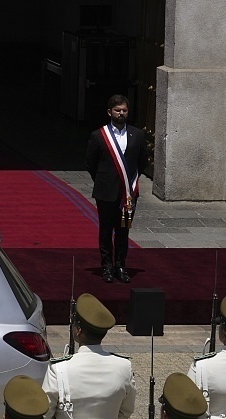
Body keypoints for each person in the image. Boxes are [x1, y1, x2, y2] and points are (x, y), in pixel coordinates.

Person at [85, 94, 148, 283]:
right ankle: (107, 266)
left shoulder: (137, 134)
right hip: (106, 193)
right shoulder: (99, 135)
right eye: (117, 110)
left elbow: (142, 162)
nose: (121, 113)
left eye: (124, 110)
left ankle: (120, 266)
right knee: (106, 230)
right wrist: (104, 180)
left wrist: (129, 182)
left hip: (128, 195)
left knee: (123, 230)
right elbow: (90, 163)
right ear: (109, 112)